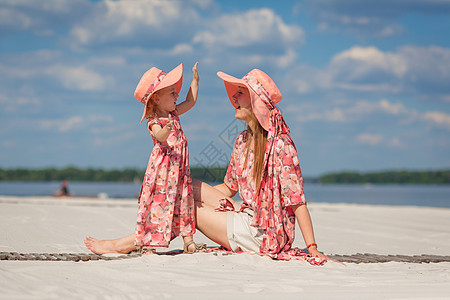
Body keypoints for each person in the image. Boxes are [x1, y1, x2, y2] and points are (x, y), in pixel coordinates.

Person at [85, 68, 334, 264]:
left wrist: (312, 248)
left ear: (256, 100)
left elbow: (297, 201)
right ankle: (142, 237)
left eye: (240, 92)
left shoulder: (281, 145)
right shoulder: (242, 141)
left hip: (265, 233)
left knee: (185, 208)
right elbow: (229, 187)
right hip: (247, 215)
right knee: (184, 188)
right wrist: (194, 198)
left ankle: (124, 244)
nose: (233, 97)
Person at [133, 62, 205, 254]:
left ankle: (188, 241)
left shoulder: (174, 113)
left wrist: (195, 81)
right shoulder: (155, 121)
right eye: (172, 92)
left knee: (184, 202)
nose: (177, 95)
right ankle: (150, 243)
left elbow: (191, 101)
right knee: (158, 204)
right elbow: (160, 136)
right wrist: (166, 129)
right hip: (163, 173)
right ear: (156, 99)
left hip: (179, 171)